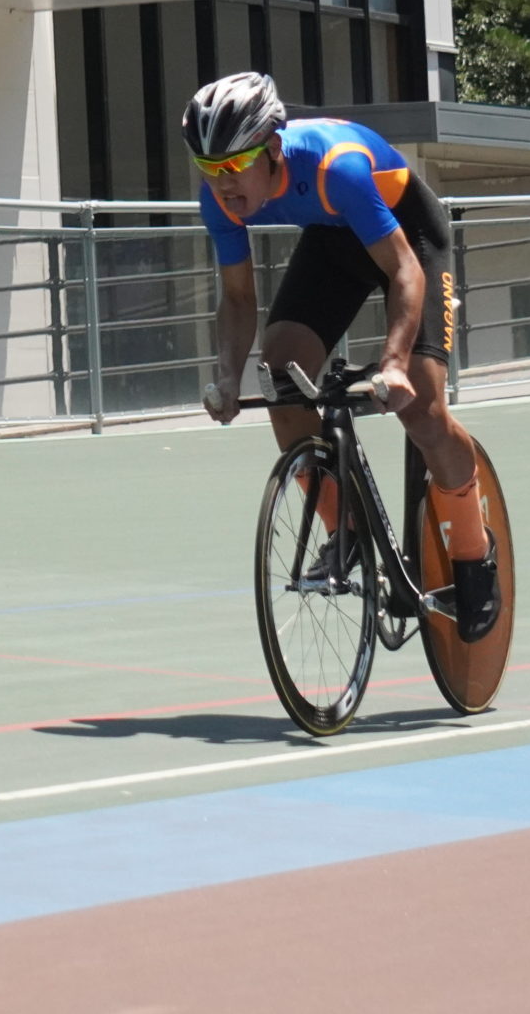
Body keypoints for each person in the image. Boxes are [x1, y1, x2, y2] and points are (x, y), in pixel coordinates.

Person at [189, 70, 498, 638]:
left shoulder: (339, 169)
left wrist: (394, 362)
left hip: (407, 233)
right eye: (208, 169)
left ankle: (475, 552)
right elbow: (236, 297)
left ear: (273, 150)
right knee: (281, 374)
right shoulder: (221, 201)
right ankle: (346, 530)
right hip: (335, 238)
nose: (222, 184)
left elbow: (404, 269)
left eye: (232, 167)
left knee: (423, 408)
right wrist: (228, 376)